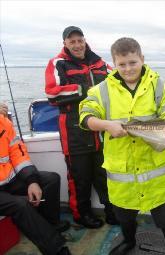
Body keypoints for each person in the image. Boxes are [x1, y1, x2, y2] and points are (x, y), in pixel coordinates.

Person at [79, 37, 165, 255]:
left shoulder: (163, 87)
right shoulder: (100, 91)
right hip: (122, 172)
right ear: (114, 63)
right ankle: (129, 242)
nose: (128, 69)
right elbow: (85, 116)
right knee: (123, 215)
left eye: (133, 62)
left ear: (142, 59)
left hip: (155, 173)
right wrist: (106, 125)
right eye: (122, 64)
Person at [45, 26, 118, 228]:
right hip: (74, 131)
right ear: (65, 44)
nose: (77, 45)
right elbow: (52, 94)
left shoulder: (101, 64)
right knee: (80, 178)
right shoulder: (57, 63)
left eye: (80, 40)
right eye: (72, 41)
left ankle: (112, 211)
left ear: (85, 41)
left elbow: (118, 85)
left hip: (101, 131)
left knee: (105, 174)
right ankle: (81, 215)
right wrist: (88, 90)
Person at [0, 103, 72, 255]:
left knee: (50, 180)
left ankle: (50, 224)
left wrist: (31, 180)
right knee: (21, 205)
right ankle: (56, 249)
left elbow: (18, 153)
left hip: (8, 180)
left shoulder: (4, 122)